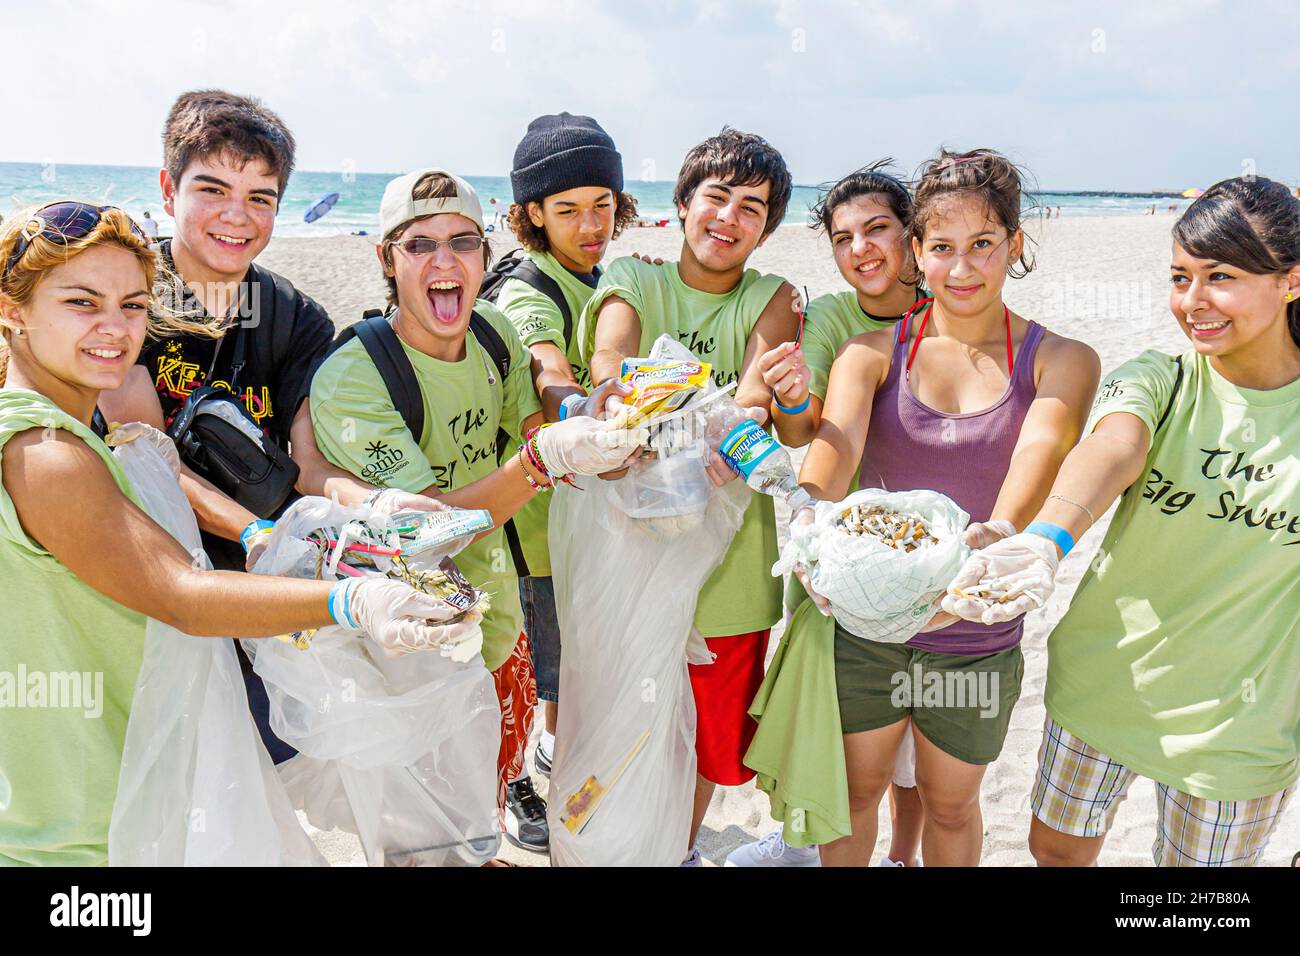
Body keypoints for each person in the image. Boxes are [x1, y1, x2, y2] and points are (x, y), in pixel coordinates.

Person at [0, 202, 472, 865]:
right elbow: (183, 595)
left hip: (123, 801)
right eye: (82, 302)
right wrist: (350, 599)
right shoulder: (48, 453)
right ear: (13, 309)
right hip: (80, 837)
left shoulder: (79, 430)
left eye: (134, 306)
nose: (114, 329)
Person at [946, 176, 1300, 867]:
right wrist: (1045, 540)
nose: (1192, 303)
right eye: (1179, 278)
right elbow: (1112, 446)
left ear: (1290, 282)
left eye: (1219, 277)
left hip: (1239, 727)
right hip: (1104, 686)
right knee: (1055, 852)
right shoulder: (1162, 376)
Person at [306, 166, 644, 840]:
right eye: (419, 244)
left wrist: (588, 423)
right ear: (385, 259)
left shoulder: (492, 331)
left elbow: (526, 419)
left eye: (463, 242)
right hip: (408, 645)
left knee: (482, 801)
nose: (445, 261)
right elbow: (433, 532)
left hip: (498, 620)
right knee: (417, 827)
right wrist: (546, 459)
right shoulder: (355, 378)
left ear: (485, 257)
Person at [793, 148, 1099, 866]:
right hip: (866, 625)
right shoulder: (869, 354)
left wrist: (993, 539)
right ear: (916, 252)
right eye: (942, 248)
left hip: (975, 635)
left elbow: (1040, 452)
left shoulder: (1063, 359)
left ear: (1015, 246)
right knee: (856, 793)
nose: (962, 270)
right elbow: (832, 453)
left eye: (983, 246)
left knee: (951, 804)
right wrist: (808, 518)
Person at [98, 90, 393, 765]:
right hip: (146, 574)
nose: (237, 216)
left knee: (268, 761)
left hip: (257, 586)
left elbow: (312, 460)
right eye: (213, 189)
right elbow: (148, 459)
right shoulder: (124, 302)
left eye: (261, 197)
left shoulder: (295, 318)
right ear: (169, 188)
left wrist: (372, 510)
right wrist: (256, 530)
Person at [581, 127, 802, 865]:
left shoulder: (772, 298)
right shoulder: (636, 280)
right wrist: (615, 396)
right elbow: (610, 358)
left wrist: (734, 425)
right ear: (682, 203)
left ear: (766, 228)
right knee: (625, 716)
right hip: (633, 555)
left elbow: (753, 395)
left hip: (729, 567)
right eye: (716, 197)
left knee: (707, 737)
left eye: (752, 208)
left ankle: (673, 850)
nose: (729, 218)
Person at [731, 161, 930, 867]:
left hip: (934, 539)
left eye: (877, 229)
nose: (861, 250)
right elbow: (804, 426)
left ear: (913, 235)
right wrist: (786, 395)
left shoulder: (952, 301)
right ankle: (806, 839)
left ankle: (903, 856)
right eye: (843, 239)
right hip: (850, 544)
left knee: (920, 740)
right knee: (848, 723)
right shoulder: (834, 320)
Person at [486, 112, 639, 849]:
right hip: (528, 526)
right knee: (533, 667)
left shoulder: (595, 278)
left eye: (603, 206)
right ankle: (519, 784)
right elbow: (547, 366)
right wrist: (580, 411)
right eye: (568, 210)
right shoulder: (525, 287)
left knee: (568, 673)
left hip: (579, 521)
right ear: (531, 214)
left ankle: (553, 751)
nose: (591, 226)